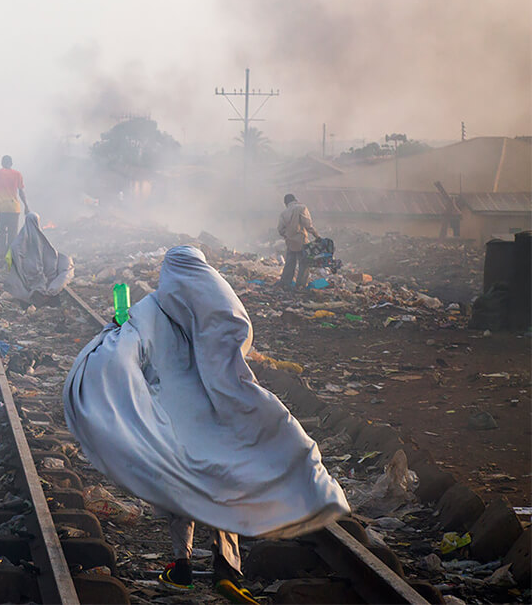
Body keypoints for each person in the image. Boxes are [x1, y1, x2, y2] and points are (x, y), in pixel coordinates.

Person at [63, 246, 349, 604]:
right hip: (217, 412)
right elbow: (237, 337)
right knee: (224, 479)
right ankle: (228, 569)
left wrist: (110, 337)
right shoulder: (212, 306)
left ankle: (181, 566)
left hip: (173, 416)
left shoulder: (149, 310)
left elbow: (124, 349)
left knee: (181, 483)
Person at [278, 193, 320, 289]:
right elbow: (308, 225)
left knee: (289, 264)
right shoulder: (302, 208)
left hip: (290, 242)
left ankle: (285, 283)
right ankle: (300, 285)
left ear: (286, 203)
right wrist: (317, 236)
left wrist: (287, 236)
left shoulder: (284, 213)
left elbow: (280, 229)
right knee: (304, 264)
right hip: (302, 241)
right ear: (295, 199)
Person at [0, 155, 28, 262]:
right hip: (13, 208)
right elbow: (21, 191)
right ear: (11, 164)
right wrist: (26, 206)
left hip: (1, 208)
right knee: (13, 234)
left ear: (2, 163)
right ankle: (9, 258)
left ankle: (2, 256)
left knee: (2, 232)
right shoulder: (17, 174)